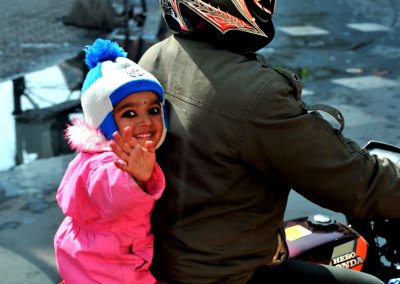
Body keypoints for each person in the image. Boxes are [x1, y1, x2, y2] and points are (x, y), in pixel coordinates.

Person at [138, 1, 400, 283]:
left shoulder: (155, 56)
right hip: (226, 274)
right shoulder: (256, 93)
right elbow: (356, 183)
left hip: (163, 263)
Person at [54, 38, 167, 284]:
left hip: (92, 265)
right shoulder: (105, 162)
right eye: (129, 113)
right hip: (107, 274)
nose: (145, 121)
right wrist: (134, 176)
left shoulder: (92, 153)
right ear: (104, 121)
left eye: (154, 110)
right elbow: (108, 189)